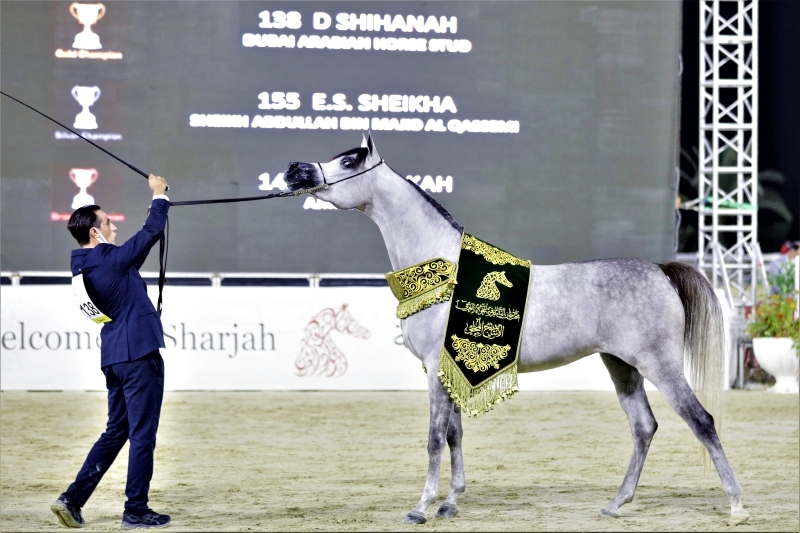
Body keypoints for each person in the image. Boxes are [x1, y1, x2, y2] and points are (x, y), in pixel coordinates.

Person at [51, 174, 172, 530]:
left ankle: (72, 499)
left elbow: (134, 253)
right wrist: (159, 197)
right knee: (143, 434)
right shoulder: (107, 259)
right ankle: (136, 509)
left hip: (115, 357)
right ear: (94, 232)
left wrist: (157, 205)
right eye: (107, 222)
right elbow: (150, 234)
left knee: (116, 432)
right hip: (138, 355)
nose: (114, 226)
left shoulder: (83, 264)